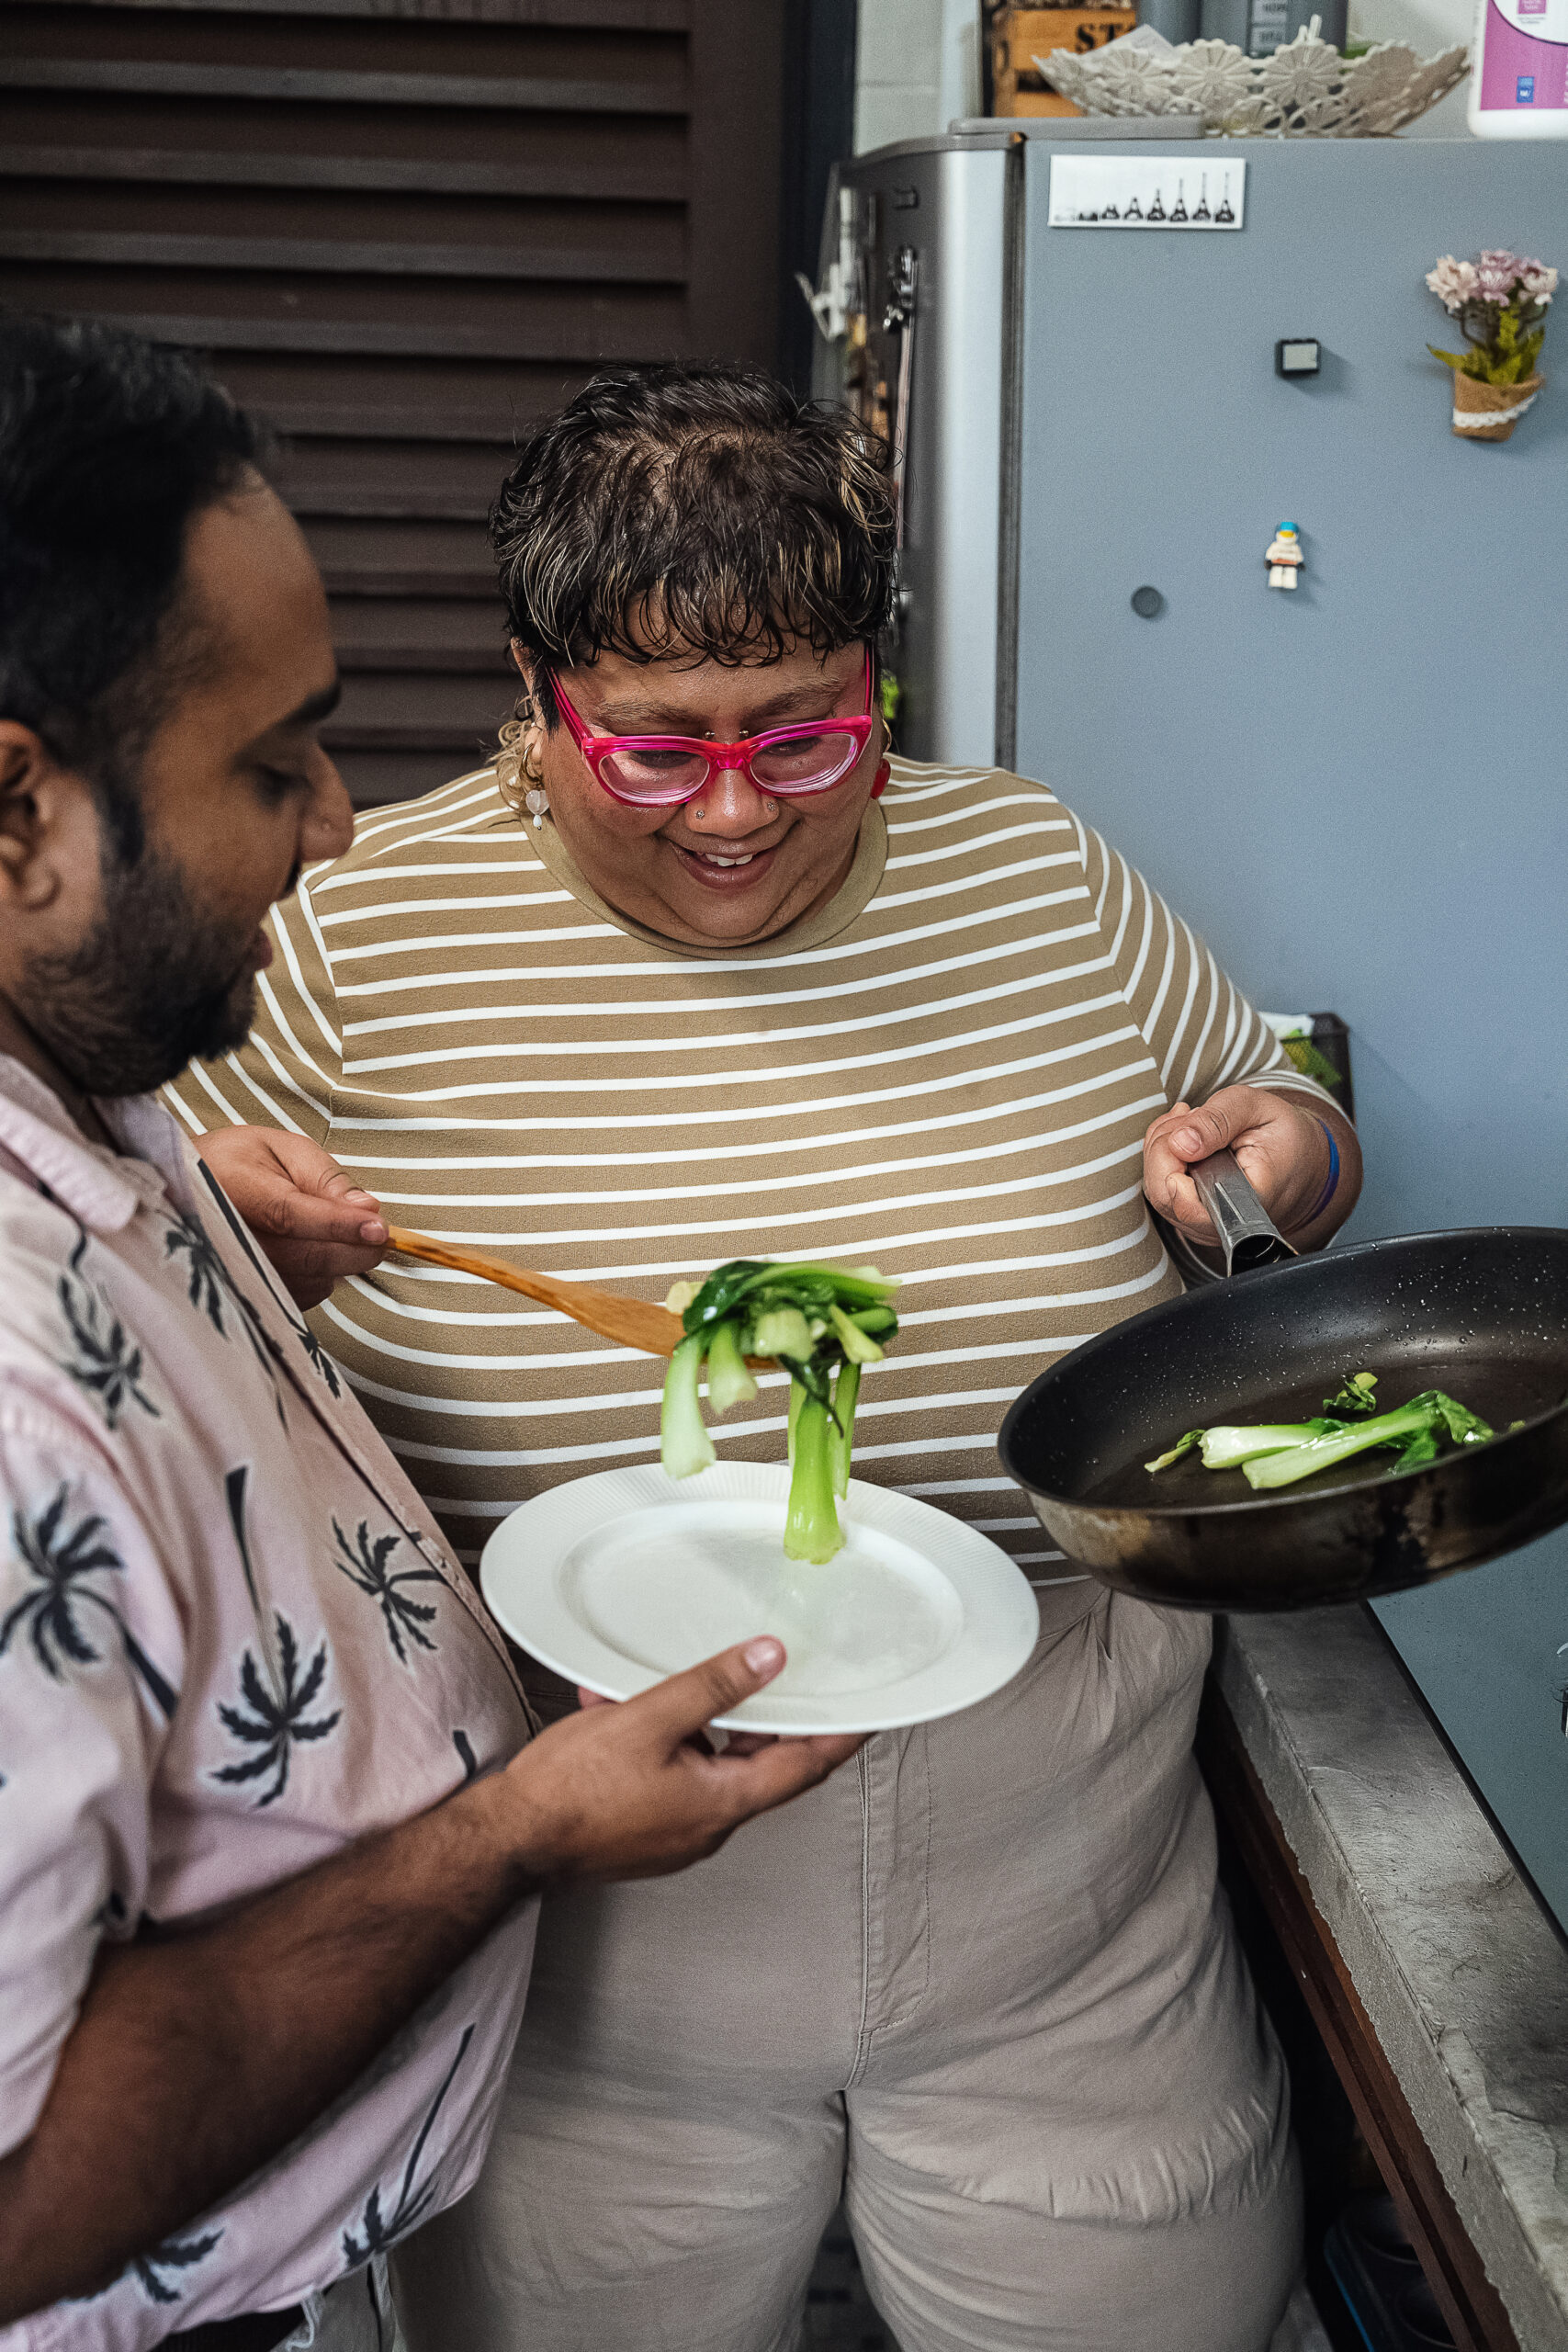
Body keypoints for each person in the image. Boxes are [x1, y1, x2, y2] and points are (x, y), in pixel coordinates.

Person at [177, 366, 1363, 2352]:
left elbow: (1264, 1083)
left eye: (804, 733)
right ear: (535, 696)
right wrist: (225, 1245)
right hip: (572, 1968)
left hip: (1066, 1917)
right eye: (653, 753)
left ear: (874, 683)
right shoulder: (344, 929)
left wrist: (1289, 1156)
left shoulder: (1037, 871)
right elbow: (105, 1267)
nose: (733, 814)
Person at [0, 321, 860, 2352]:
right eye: (266, 760)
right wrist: (511, 1830)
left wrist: (209, 1268)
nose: (338, 824)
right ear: (16, 812)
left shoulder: (88, 1092)